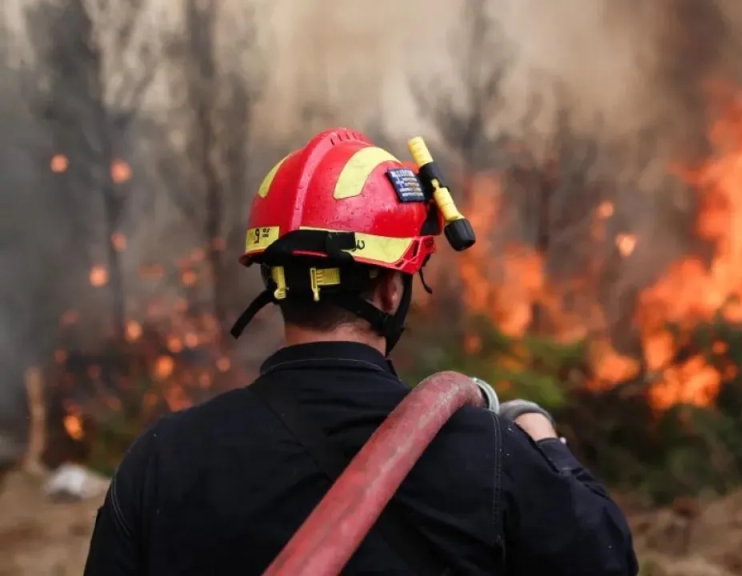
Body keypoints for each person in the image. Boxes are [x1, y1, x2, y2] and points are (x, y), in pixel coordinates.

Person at [84, 129, 638, 575]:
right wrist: (543, 440)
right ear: (391, 290)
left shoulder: (162, 459)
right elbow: (608, 558)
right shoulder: (492, 457)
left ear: (275, 282)